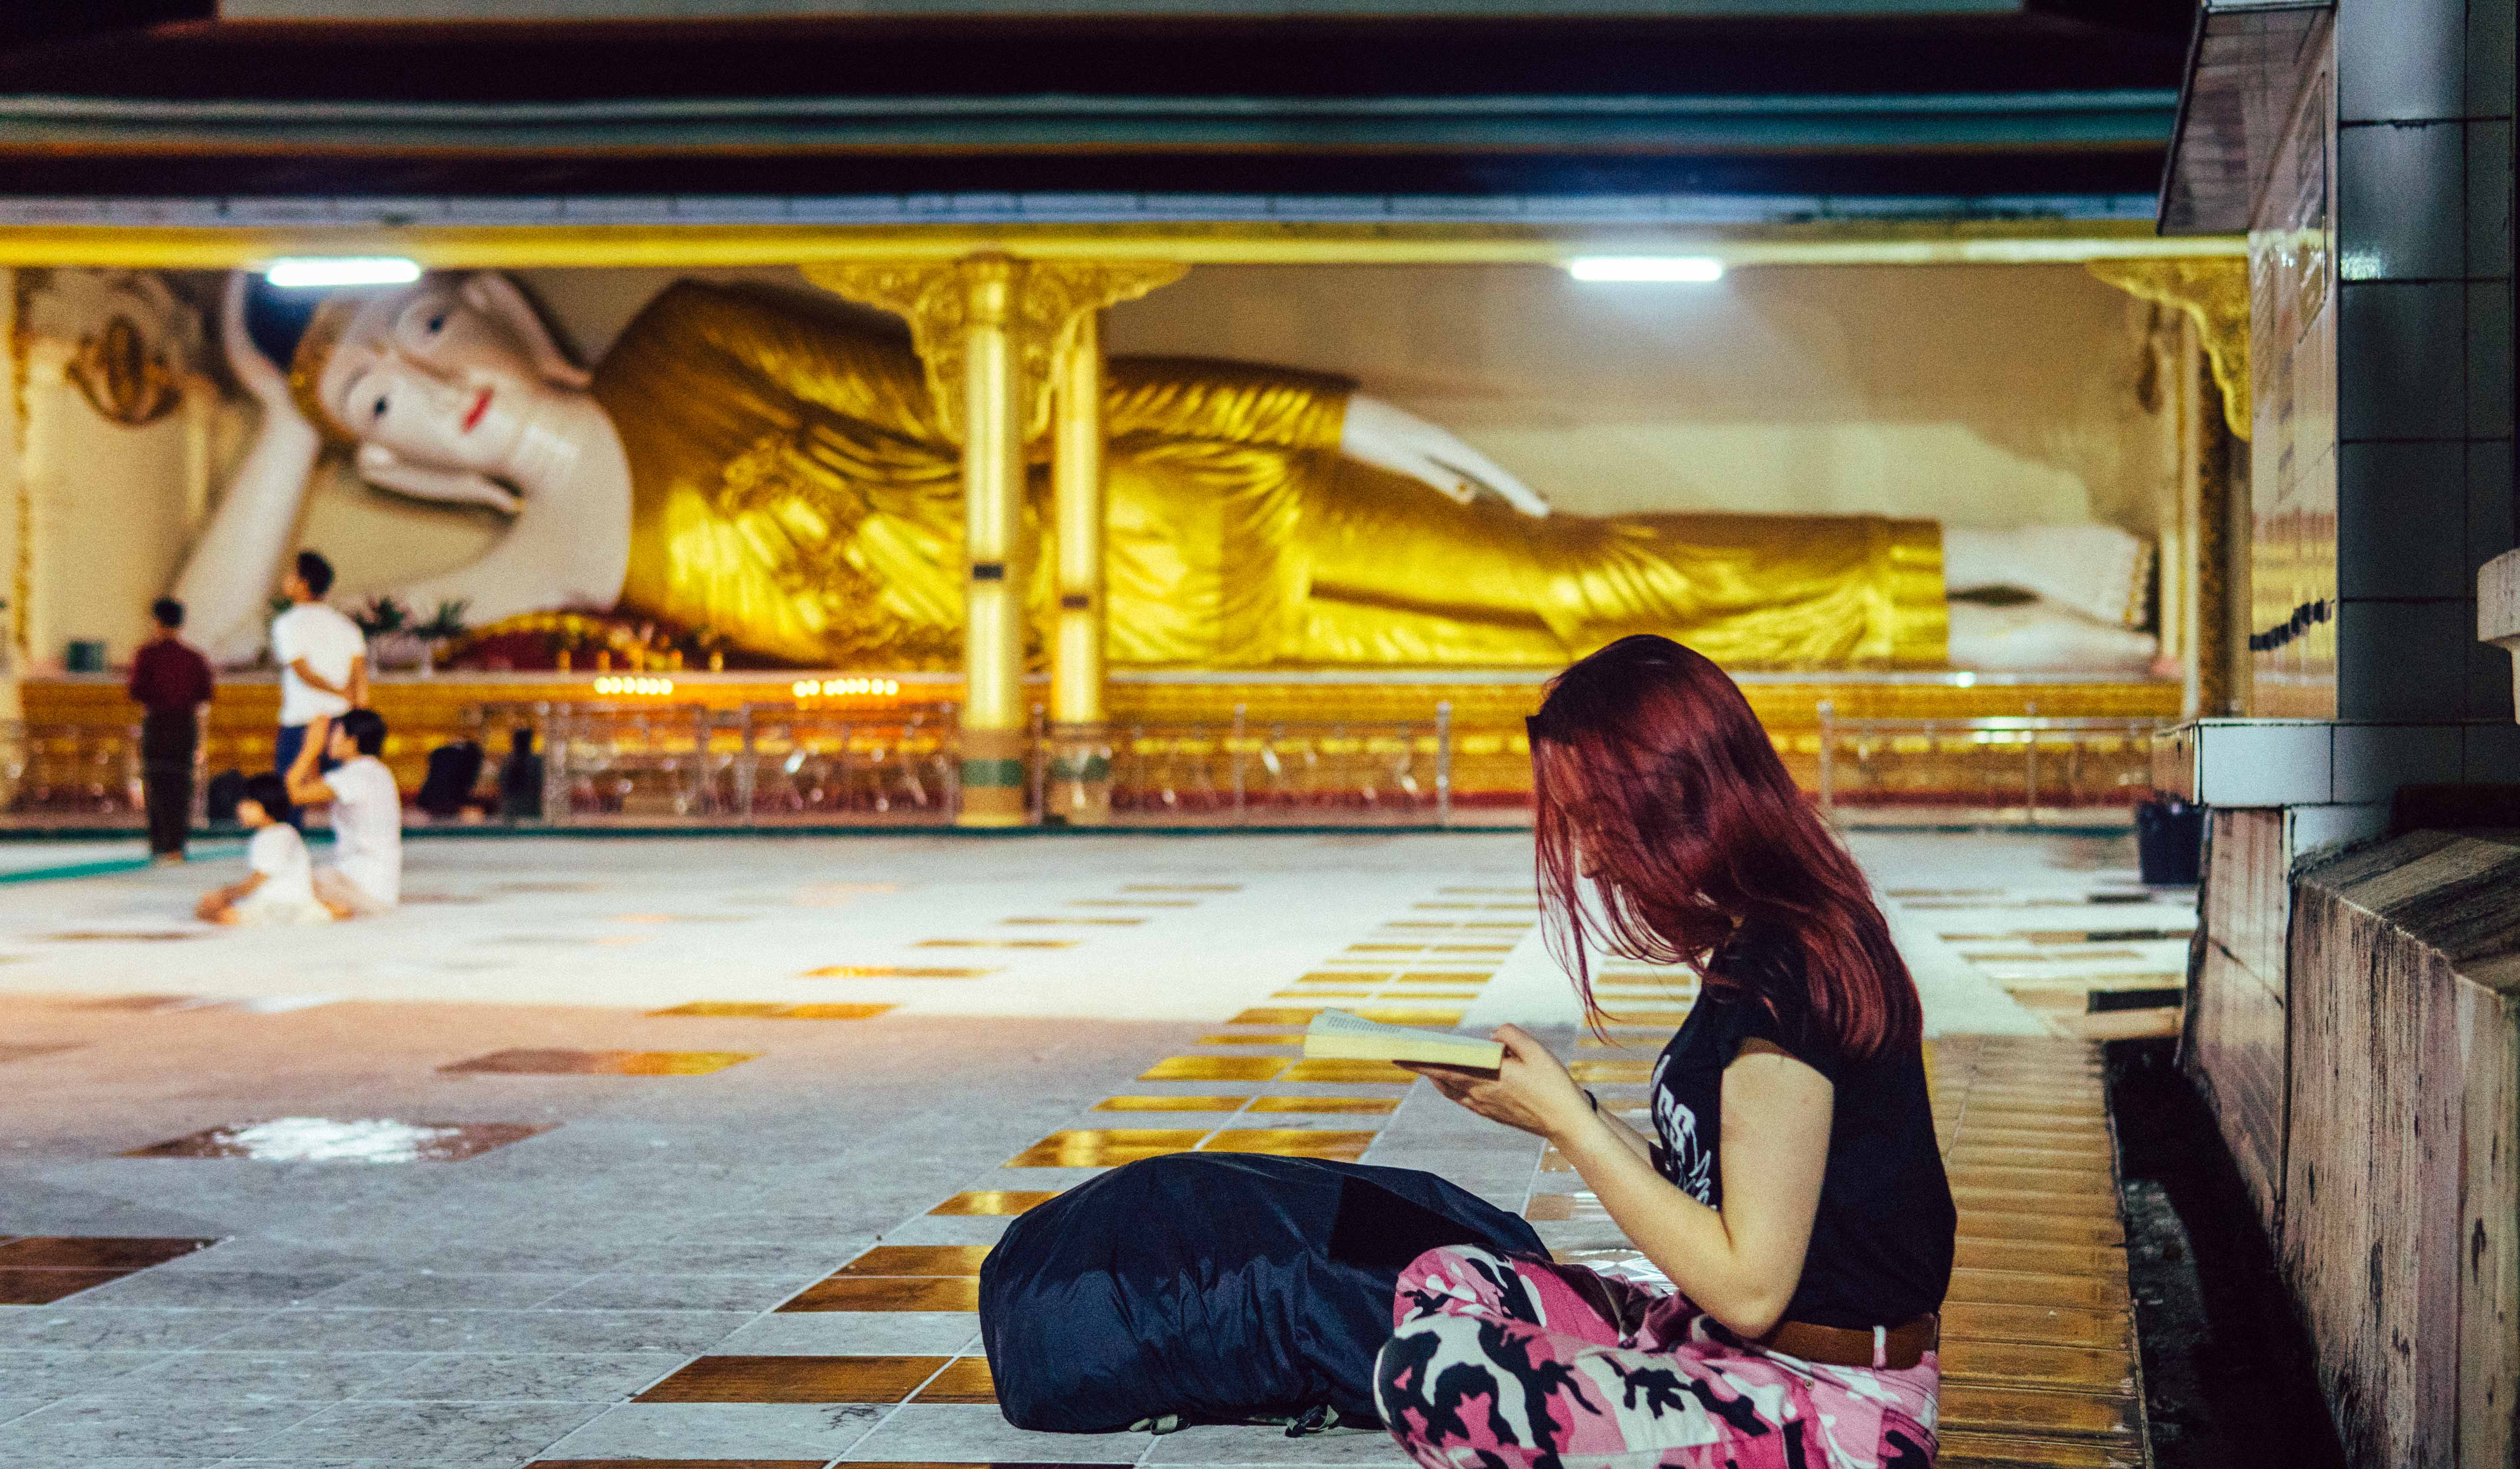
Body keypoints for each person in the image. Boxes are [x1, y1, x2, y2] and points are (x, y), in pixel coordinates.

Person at [171, 269, 2161, 674]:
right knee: (1567, 670)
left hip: (1204, 510)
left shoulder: (695, 337)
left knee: (1567, 570)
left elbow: (1017, 373)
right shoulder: (537, 584)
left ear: (492, 305)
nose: (419, 405)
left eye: (412, 335)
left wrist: (1313, 415)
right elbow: (210, 640)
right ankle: (1977, 633)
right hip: (1169, 661)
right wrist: (270, 413)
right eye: (366, 414)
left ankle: (1996, 548)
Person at [1377, 633, 1955, 1469]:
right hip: (1726, 1355)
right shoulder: (1760, 941)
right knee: (1444, 1282)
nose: (1594, 864)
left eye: (1599, 823)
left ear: (1672, 797)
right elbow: (1725, 1203)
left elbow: (1749, 1285)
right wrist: (1556, 1109)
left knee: (1429, 1379)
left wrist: (1571, 1127)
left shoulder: (1788, 968)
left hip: (1831, 1426)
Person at [284, 707, 401, 916]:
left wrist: (309, 749)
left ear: (352, 741)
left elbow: (291, 795)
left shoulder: (353, 777)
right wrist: (314, 754)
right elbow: (314, 793)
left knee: (284, 884)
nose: (330, 738)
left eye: (336, 733)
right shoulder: (378, 771)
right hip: (378, 888)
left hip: (361, 888)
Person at [269, 549, 367, 794]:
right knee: (341, 794)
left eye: (291, 574)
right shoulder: (346, 626)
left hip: (300, 720)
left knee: (289, 795)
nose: (286, 579)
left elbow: (302, 671)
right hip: (339, 721)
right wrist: (358, 713)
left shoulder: (288, 624)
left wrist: (337, 691)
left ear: (304, 584)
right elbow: (360, 676)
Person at [127, 596, 213, 864]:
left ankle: (158, 845)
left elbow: (135, 692)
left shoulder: (147, 655)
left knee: (156, 784)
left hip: (157, 724)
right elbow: (205, 694)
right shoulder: (195, 658)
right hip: (185, 726)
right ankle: (177, 846)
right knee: (180, 785)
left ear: (157, 622)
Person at [194, 772, 332, 926]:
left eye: (248, 805)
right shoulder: (275, 833)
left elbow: (259, 879)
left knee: (216, 914)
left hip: (283, 906)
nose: (240, 810)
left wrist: (224, 895)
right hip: (275, 904)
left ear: (266, 806)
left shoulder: (279, 835)